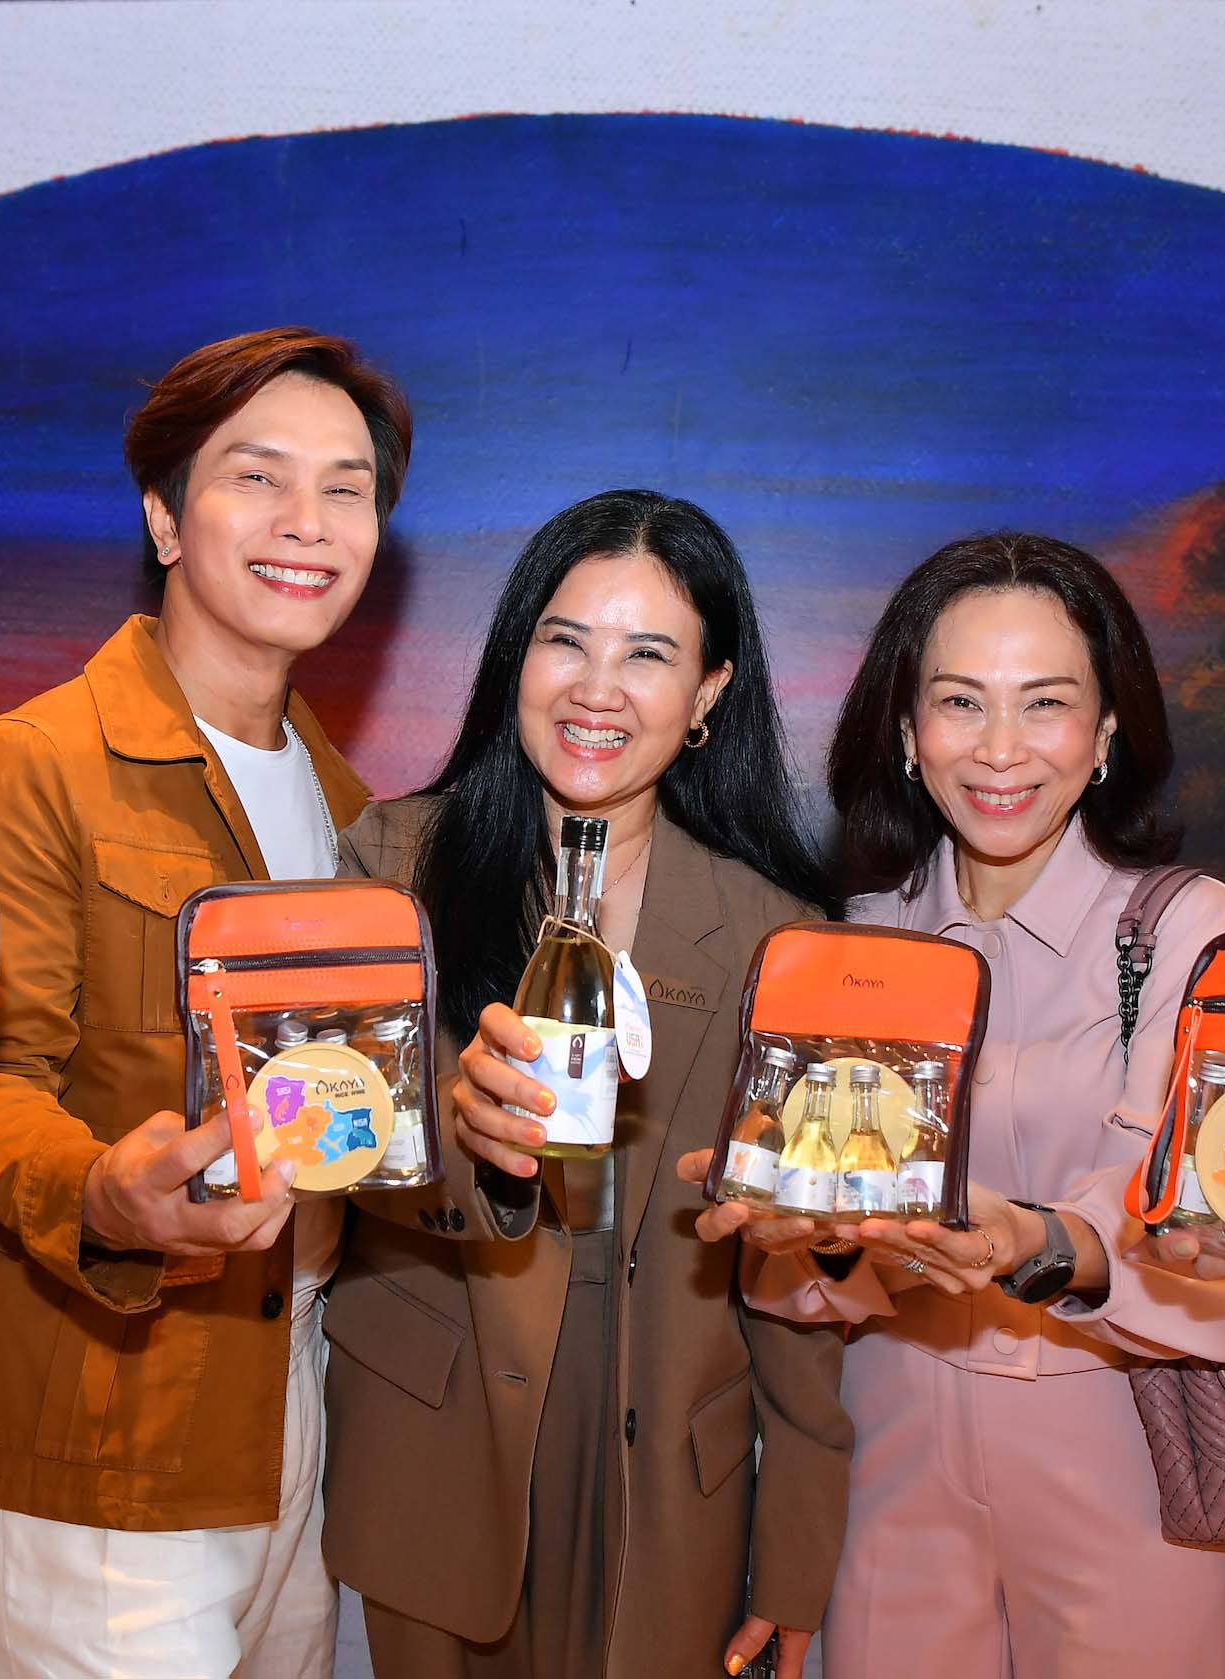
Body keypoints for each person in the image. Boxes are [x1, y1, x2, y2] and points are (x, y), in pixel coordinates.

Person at [690, 533, 1225, 1677]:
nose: (997, 748)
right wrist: (813, 1235)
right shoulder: (853, 941)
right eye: (958, 702)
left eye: (1044, 703)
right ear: (905, 730)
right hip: (892, 1448)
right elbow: (798, 1277)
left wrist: (1038, 1242)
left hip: (1118, 1453)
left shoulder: (1185, 932)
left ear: (1105, 730)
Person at [0, 327, 410, 1679]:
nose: (305, 521)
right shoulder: (37, 759)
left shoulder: (357, 815)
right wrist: (99, 1192)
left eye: (346, 487)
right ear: (162, 515)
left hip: (291, 1403)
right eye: (256, 476)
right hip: (101, 1414)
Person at [319, 489, 852, 1678]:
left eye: (647, 654)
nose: (595, 689)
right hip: (439, 1437)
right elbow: (336, 1144)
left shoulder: (775, 935)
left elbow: (789, 1274)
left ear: (707, 692)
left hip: (663, 1450)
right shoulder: (390, 862)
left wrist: (797, 1542)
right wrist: (457, 1129)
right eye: (564, 641)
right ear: (516, 655)